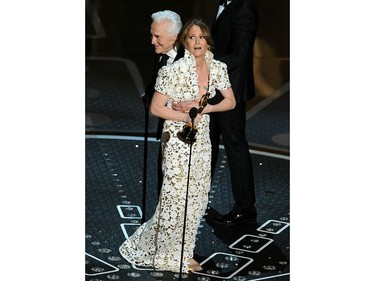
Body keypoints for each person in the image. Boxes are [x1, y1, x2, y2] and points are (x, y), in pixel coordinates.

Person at [119, 18, 236, 273]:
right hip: (177, 140)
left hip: (202, 139)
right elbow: (155, 108)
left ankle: (182, 248)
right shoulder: (172, 70)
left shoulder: (218, 68)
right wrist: (186, 116)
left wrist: (205, 109)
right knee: (175, 197)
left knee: (197, 197)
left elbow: (230, 101)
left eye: (201, 37)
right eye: (192, 37)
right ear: (185, 41)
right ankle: (174, 255)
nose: (197, 42)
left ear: (208, 41)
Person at [172, 0, 259, 225]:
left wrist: (205, 64)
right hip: (214, 88)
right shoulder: (224, 6)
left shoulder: (243, 9)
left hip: (230, 90)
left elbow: (239, 54)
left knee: (235, 147)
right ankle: (198, 198)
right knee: (207, 144)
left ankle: (245, 208)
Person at [142, 10, 184, 195]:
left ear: (175, 37)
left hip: (185, 133)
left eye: (157, 36)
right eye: (152, 35)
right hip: (167, 129)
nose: (152, 41)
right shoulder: (162, 55)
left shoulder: (188, 60)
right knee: (164, 177)